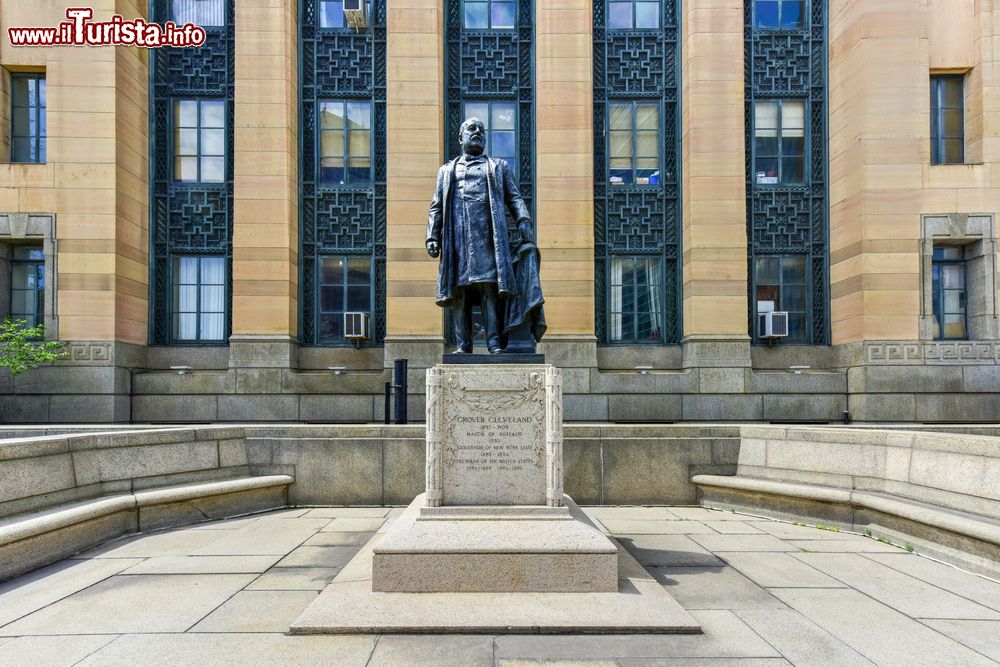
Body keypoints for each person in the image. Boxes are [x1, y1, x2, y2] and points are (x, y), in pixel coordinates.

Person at [426, 117, 545, 353]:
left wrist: (523, 219)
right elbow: (436, 206)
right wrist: (432, 236)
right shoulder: (447, 171)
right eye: (472, 129)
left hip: (488, 238)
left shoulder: (498, 166)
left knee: (488, 289)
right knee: (459, 291)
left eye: (482, 130)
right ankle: (463, 345)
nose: (478, 132)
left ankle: (493, 342)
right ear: (461, 137)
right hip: (457, 237)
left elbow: (514, 197)